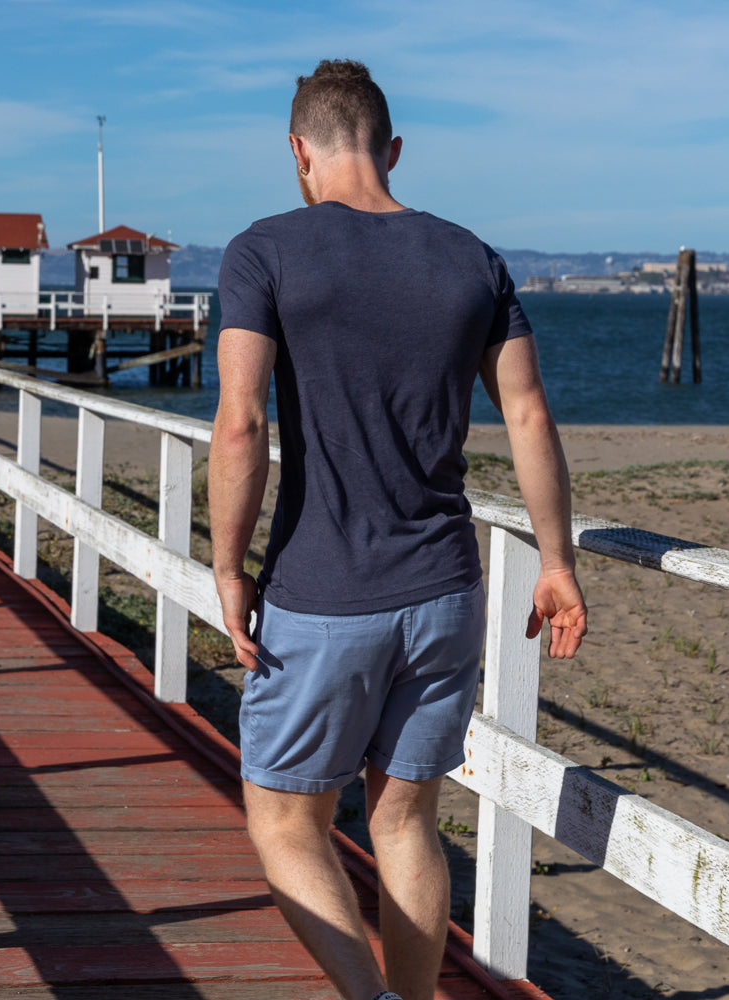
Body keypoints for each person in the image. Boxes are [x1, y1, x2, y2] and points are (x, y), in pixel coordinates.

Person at [207, 59, 587, 1000]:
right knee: (407, 823)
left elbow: (241, 421)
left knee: (286, 823)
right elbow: (530, 415)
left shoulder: (265, 250)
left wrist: (225, 567)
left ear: (299, 152)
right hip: (447, 593)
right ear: (394, 149)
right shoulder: (473, 258)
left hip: (324, 593)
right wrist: (558, 562)